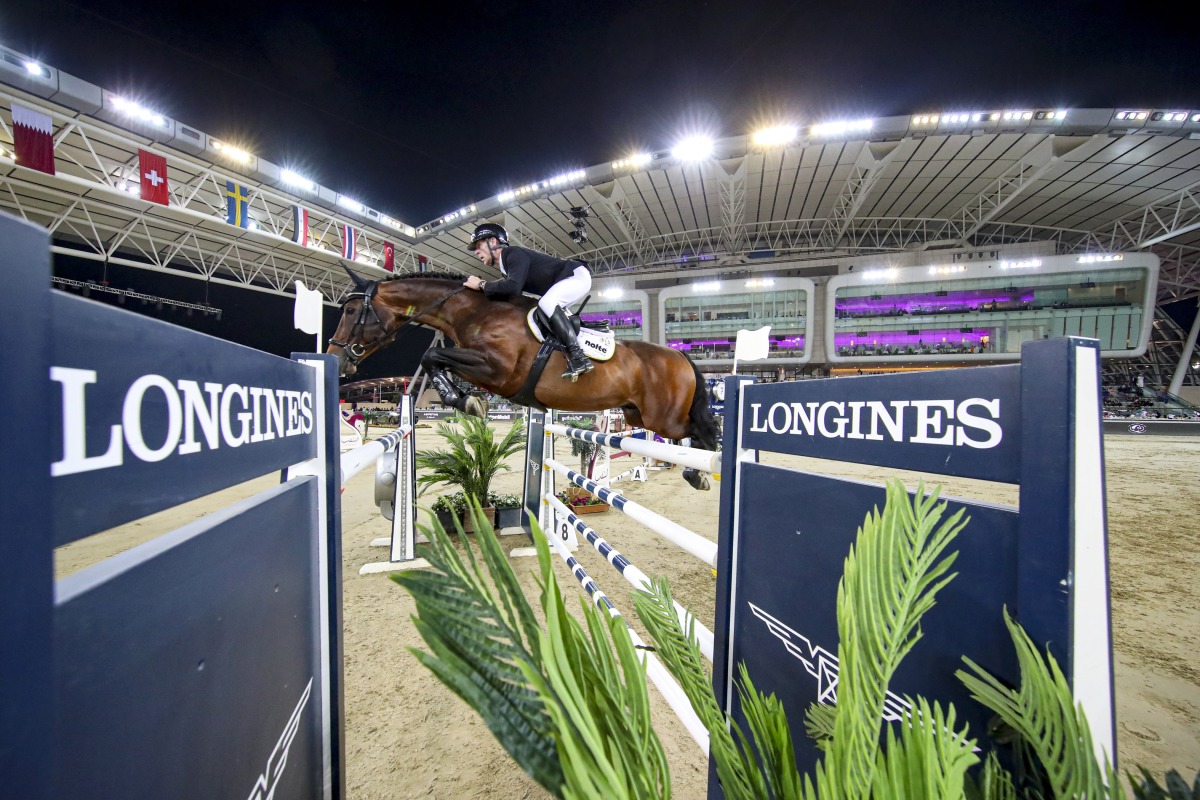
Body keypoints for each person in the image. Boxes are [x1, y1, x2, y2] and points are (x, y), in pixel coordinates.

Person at [462, 223, 594, 380]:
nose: (476, 251)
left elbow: (512, 288)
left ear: (493, 242)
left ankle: (578, 357)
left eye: (478, 245)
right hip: (569, 279)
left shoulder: (512, 253)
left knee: (545, 303)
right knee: (543, 315)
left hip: (575, 275)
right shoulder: (506, 265)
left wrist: (481, 284)